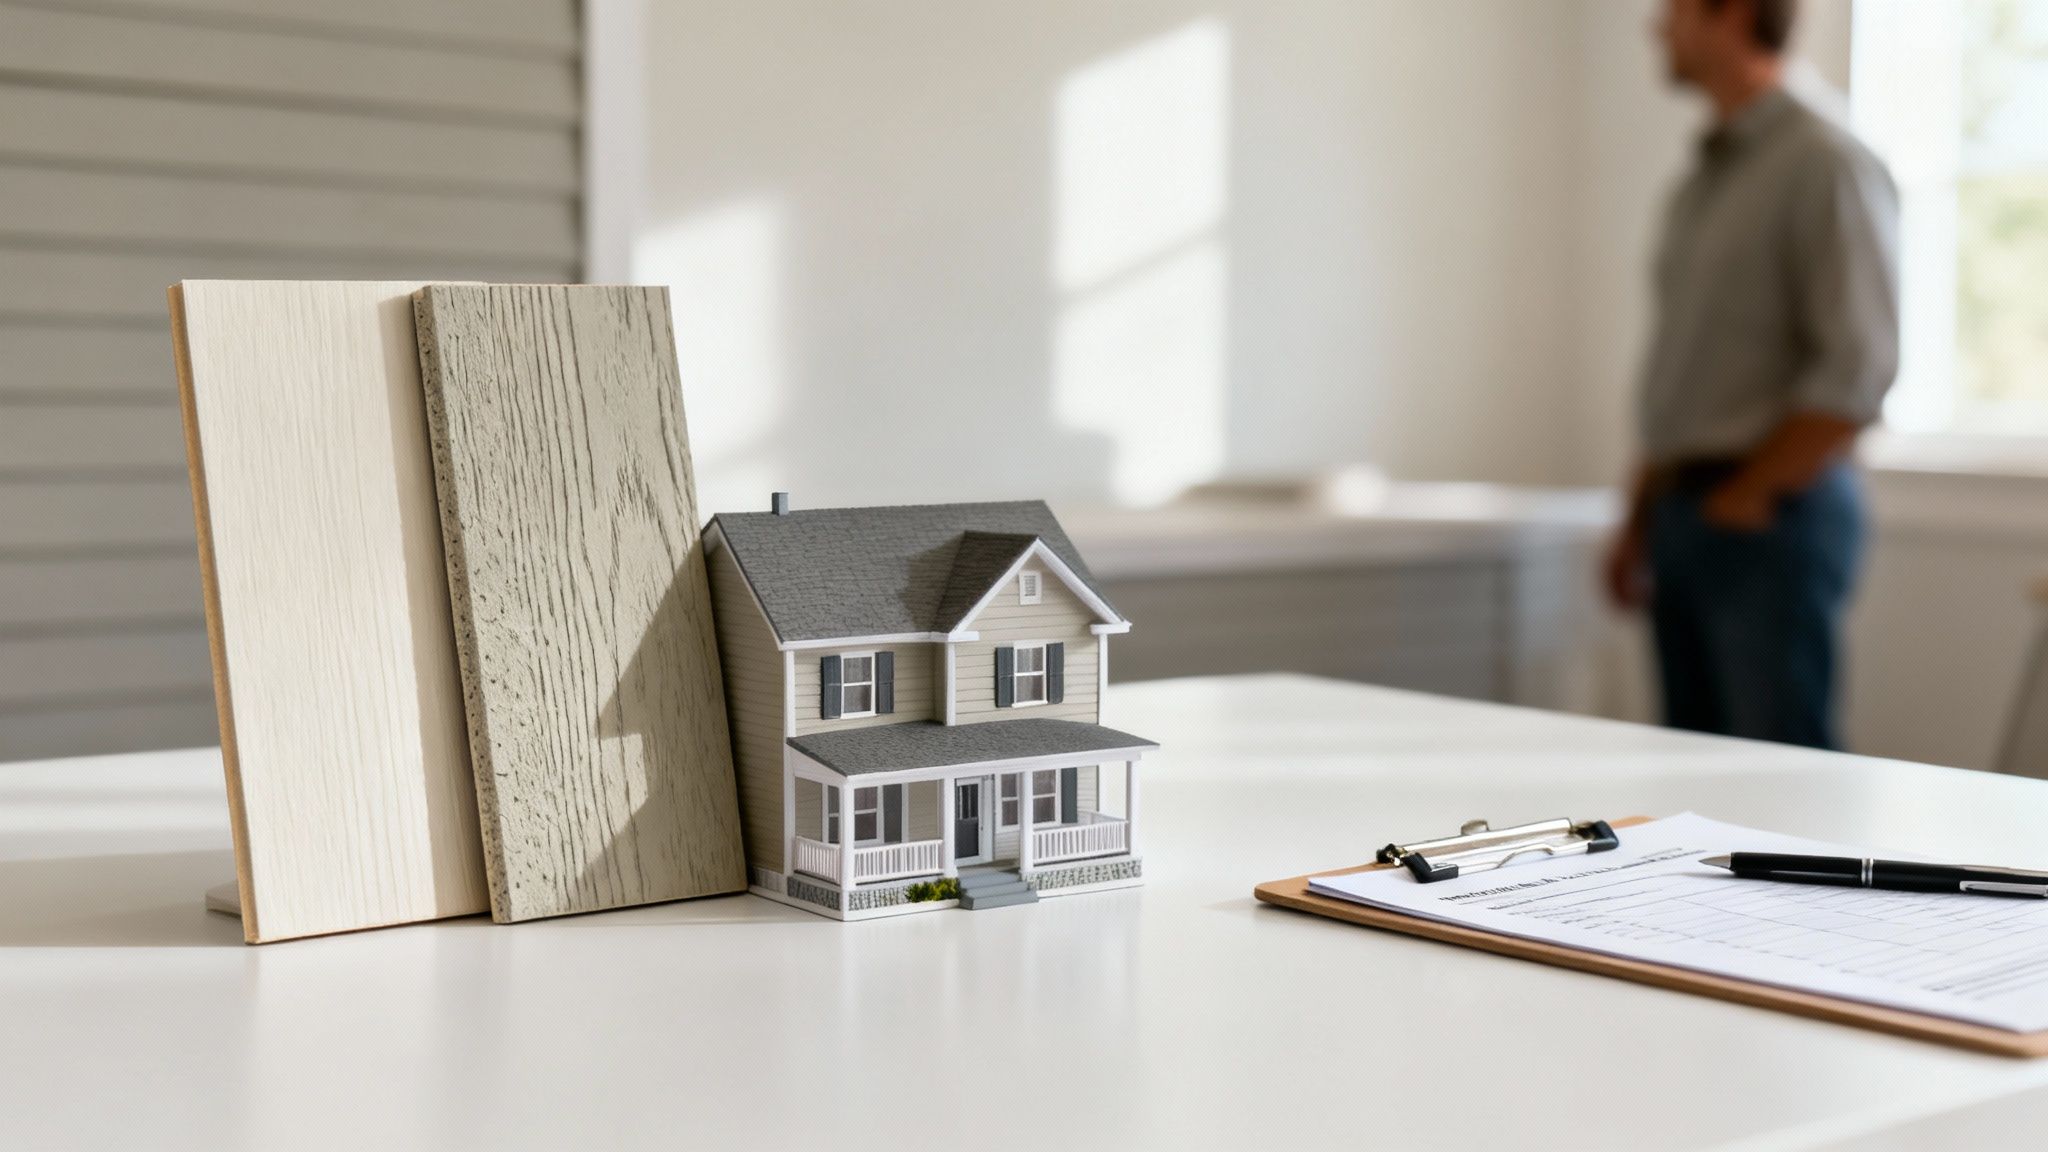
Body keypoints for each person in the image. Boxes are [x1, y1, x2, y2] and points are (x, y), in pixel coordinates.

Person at [1604, 0, 1899, 750]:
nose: (1656, 26)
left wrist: (1750, 492)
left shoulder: (1824, 160)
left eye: (1671, 9)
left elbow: (1858, 366)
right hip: (1685, 511)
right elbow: (1689, 369)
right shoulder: (1703, 180)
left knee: (1782, 783)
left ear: (1729, 13)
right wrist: (1641, 516)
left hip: (1772, 520)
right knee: (1692, 780)